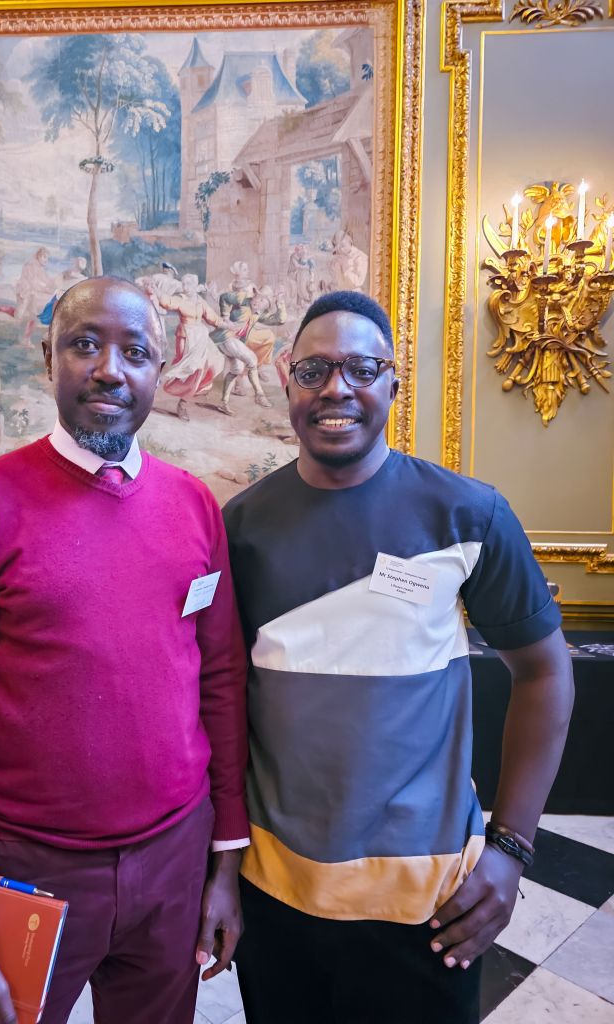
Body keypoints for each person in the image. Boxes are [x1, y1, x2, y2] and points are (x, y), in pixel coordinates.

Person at [0, 276, 249, 1024]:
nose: (109, 370)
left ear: (160, 370)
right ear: (47, 357)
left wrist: (226, 861)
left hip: (173, 863)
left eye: (135, 352)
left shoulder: (194, 505)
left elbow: (219, 682)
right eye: (85, 344)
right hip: (25, 869)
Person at [223, 290, 574, 1024]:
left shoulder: (468, 514)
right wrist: (219, 869)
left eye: (361, 368)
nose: (336, 388)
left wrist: (511, 848)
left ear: (393, 383)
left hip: (429, 899)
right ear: (287, 380)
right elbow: (220, 702)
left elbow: (543, 671)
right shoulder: (240, 527)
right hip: (276, 892)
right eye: (314, 369)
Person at [149, 273, 226, 421]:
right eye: (183, 284)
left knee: (212, 363)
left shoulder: (200, 301)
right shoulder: (181, 299)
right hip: (186, 338)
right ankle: (170, 394)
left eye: (188, 284)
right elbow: (167, 302)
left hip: (201, 338)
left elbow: (212, 318)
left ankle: (184, 401)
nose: (185, 287)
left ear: (195, 285)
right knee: (188, 370)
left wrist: (226, 324)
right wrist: (156, 290)